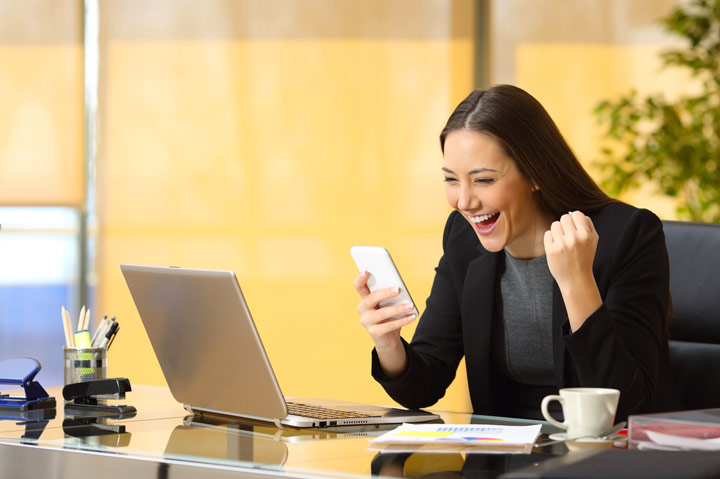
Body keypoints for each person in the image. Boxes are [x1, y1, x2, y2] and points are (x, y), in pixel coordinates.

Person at [353, 84, 676, 421]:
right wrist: (389, 344)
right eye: (452, 180)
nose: (464, 201)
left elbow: (627, 406)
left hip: (605, 459)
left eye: (483, 180)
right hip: (502, 459)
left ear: (534, 172)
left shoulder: (626, 236)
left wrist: (577, 282)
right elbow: (425, 385)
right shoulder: (463, 238)